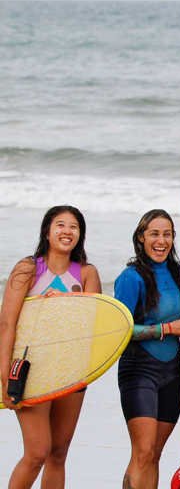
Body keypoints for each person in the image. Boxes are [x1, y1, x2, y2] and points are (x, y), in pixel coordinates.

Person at [0, 205, 101, 489]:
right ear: (47, 231)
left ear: (80, 235)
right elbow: (6, 325)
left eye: (74, 226)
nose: (67, 231)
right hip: (32, 370)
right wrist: (4, 376)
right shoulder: (28, 268)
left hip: (72, 370)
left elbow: (96, 325)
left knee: (58, 453)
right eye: (60, 225)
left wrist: (67, 303)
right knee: (37, 453)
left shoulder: (86, 273)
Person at [114, 209, 180, 489]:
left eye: (167, 234)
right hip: (139, 370)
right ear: (141, 237)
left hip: (173, 371)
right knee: (144, 451)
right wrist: (168, 329)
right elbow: (120, 330)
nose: (161, 240)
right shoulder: (131, 277)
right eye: (154, 234)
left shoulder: (176, 273)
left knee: (156, 454)